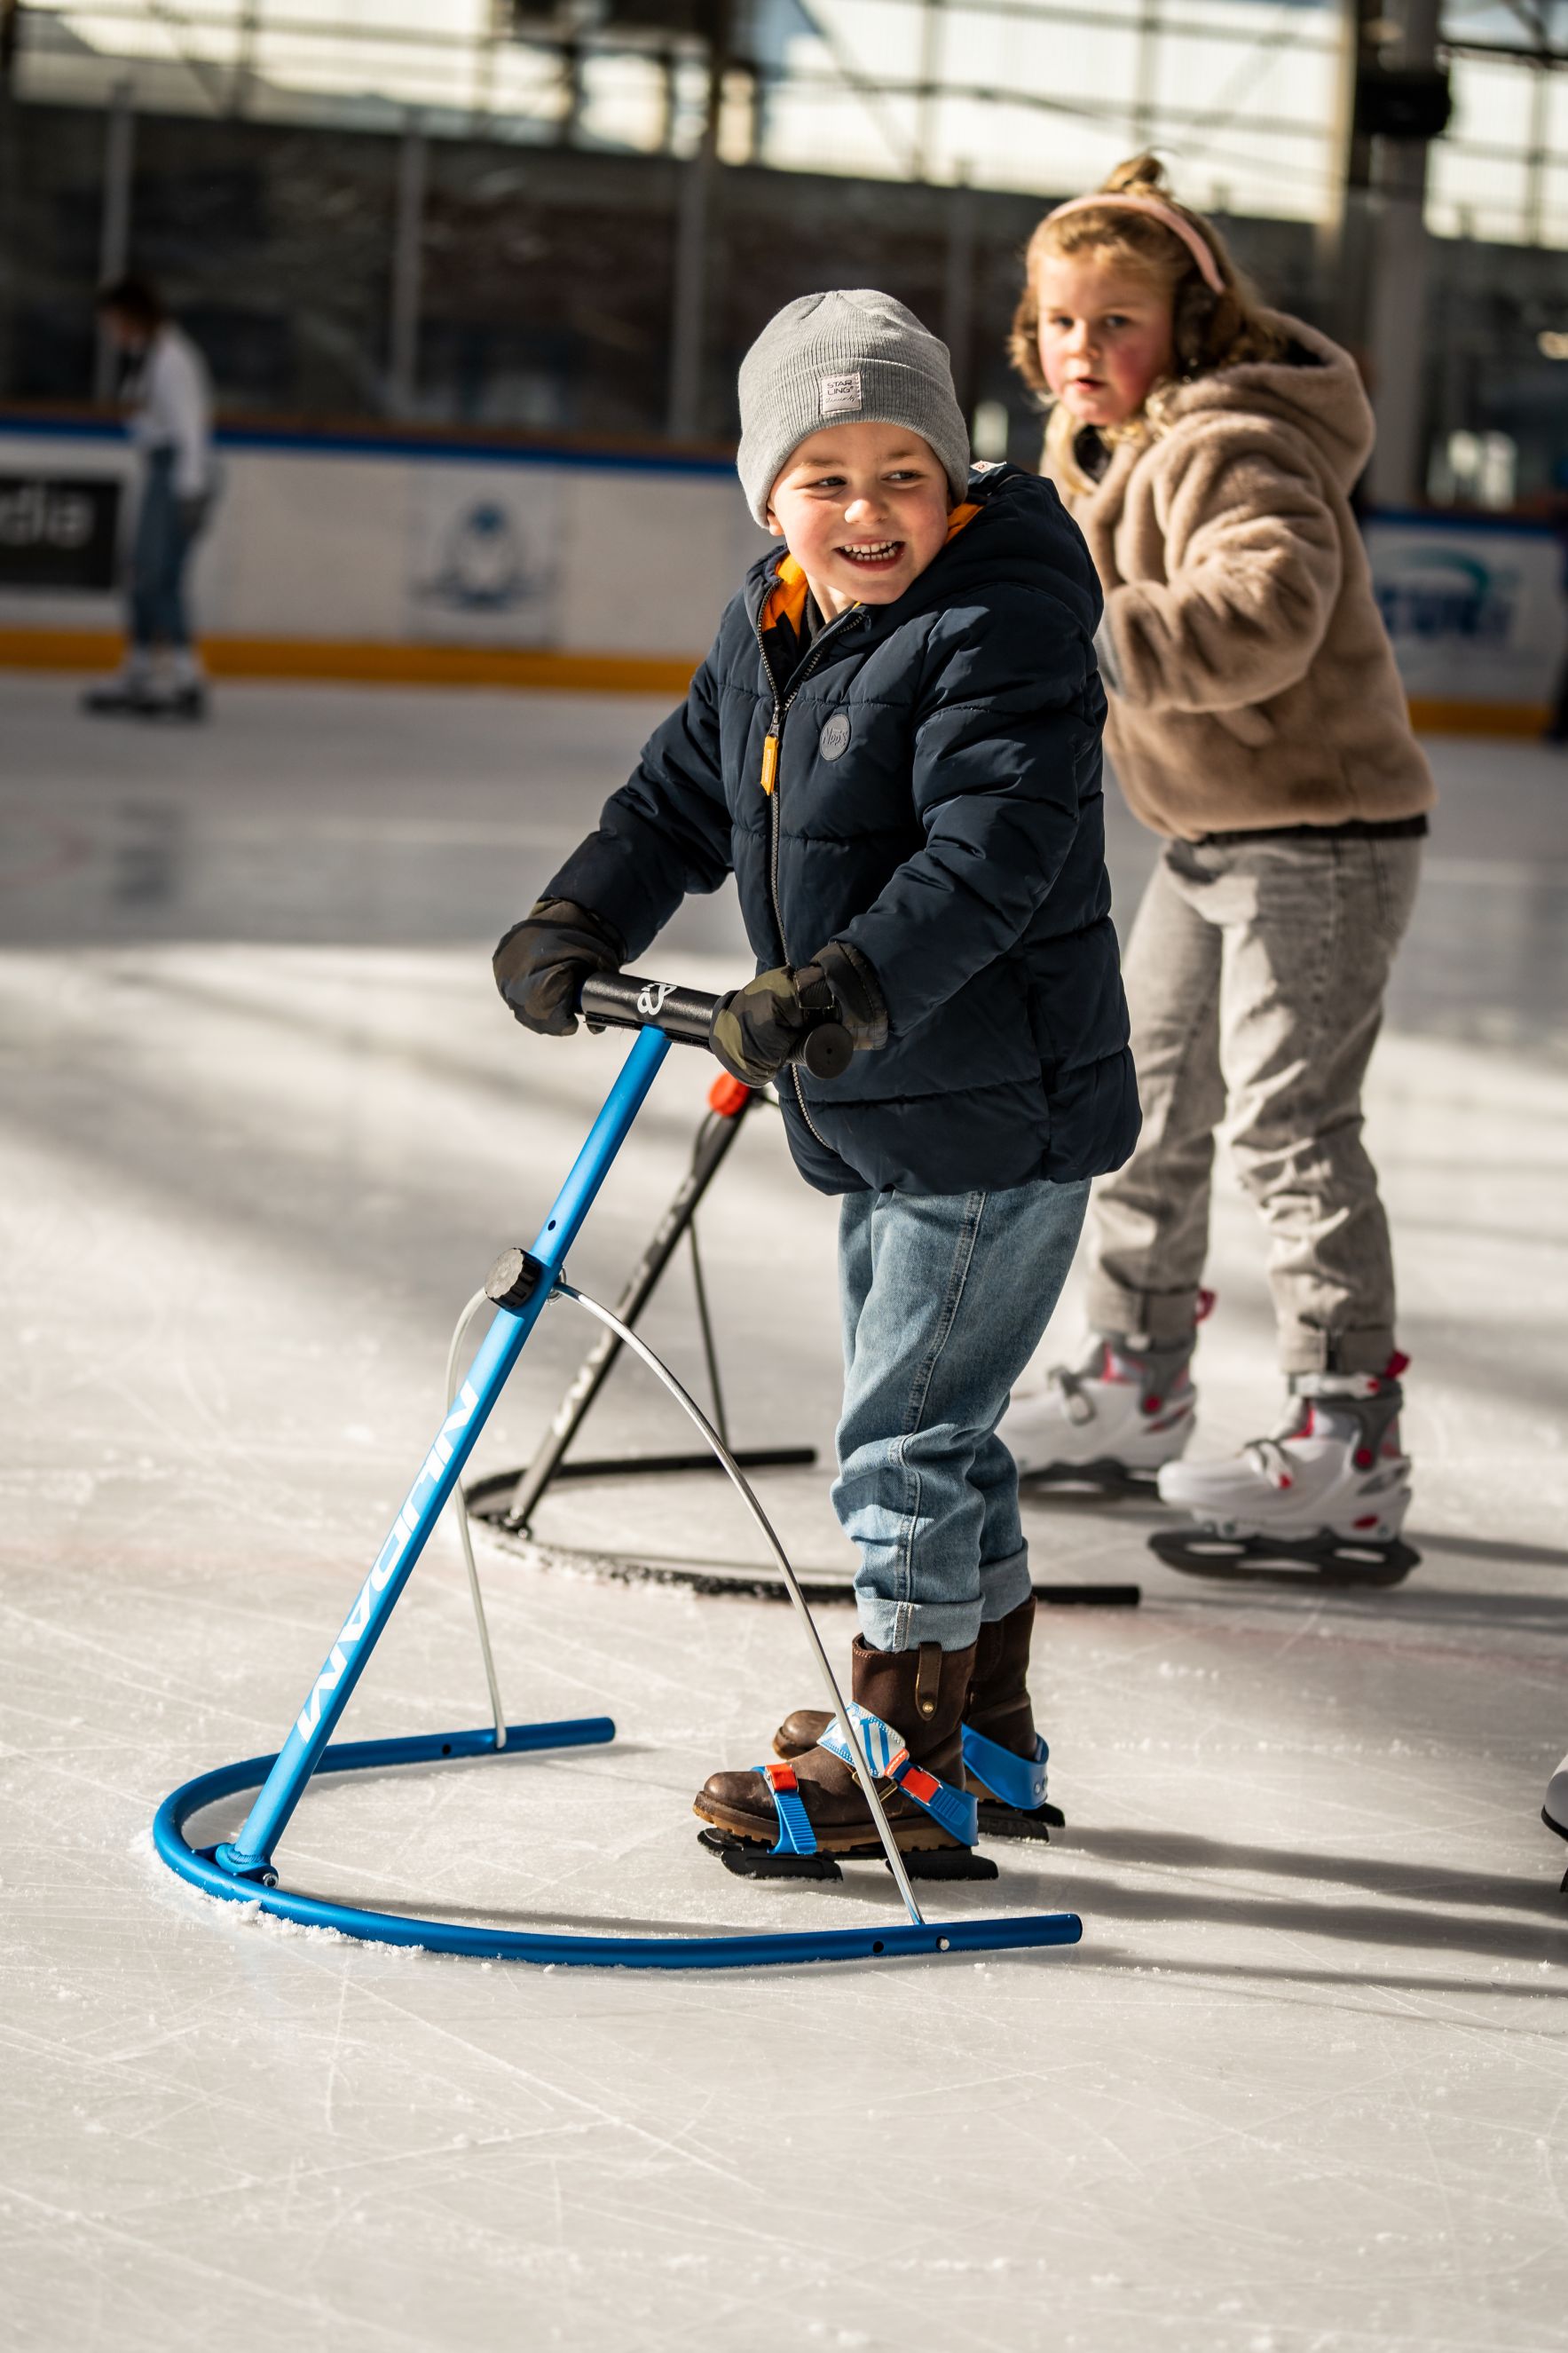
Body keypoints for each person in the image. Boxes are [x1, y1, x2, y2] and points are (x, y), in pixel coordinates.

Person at [492, 290, 1138, 1864]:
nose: (865, 510)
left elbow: (991, 856)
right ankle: (978, 1733)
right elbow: (675, 800)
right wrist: (580, 914)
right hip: (886, 1101)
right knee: (942, 1429)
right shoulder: (771, 622)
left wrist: (838, 989)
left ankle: (902, 1767)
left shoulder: (1003, 622)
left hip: (991, 1102)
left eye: (902, 472)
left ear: (956, 479)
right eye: (825, 475)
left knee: (899, 1446)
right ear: (766, 491)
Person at [997, 154, 1435, 1581]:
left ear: (1187, 322)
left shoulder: (1224, 443)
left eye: (1113, 322)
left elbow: (1269, 606)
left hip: (1316, 835)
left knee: (1286, 1127)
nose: (1080, 350)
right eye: (1059, 322)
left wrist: (1097, 639)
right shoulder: (1107, 454)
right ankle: (1132, 1375)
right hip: (1208, 840)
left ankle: (1344, 1434)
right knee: (1145, 1102)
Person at [83, 274, 214, 721]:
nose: (110, 331)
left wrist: (190, 490)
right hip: (163, 468)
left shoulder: (171, 359)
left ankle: (186, 677)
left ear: (131, 316)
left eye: (113, 321)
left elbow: (191, 429)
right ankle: (140, 668)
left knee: (159, 575)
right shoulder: (149, 356)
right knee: (143, 572)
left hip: (178, 470)